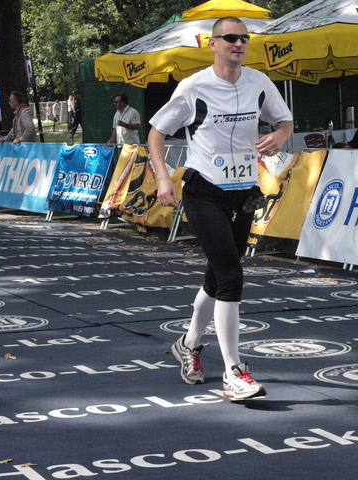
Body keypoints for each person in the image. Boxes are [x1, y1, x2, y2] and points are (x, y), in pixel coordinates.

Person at [147, 17, 293, 401]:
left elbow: (285, 121)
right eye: (230, 38)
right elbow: (157, 132)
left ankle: (188, 344)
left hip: (244, 193)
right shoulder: (194, 87)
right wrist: (163, 178)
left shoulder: (259, 82)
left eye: (244, 38)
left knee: (217, 276)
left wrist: (279, 135)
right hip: (203, 192)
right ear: (212, 44)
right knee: (231, 276)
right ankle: (234, 372)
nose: (239, 44)